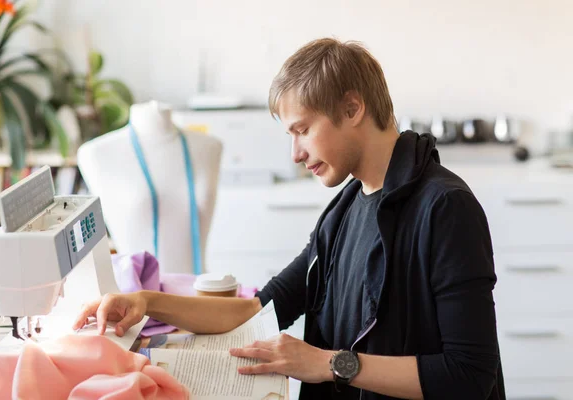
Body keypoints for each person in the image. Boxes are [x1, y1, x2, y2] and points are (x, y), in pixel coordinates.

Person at [73, 38, 505, 400]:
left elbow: (469, 374)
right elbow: (259, 310)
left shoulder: (446, 208)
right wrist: (147, 303)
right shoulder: (347, 207)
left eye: (302, 130)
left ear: (353, 108)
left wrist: (328, 364)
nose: (295, 154)